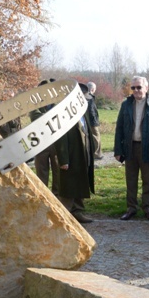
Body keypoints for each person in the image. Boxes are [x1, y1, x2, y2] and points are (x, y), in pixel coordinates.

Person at [114, 76, 149, 221]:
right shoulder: (126, 105)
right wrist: (118, 150)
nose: (136, 90)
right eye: (133, 88)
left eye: (139, 87)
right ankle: (131, 208)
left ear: (146, 88)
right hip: (130, 148)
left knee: (148, 181)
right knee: (131, 181)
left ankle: (148, 209)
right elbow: (119, 128)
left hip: (148, 148)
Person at [55, 83, 96, 224]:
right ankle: (63, 215)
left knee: (80, 182)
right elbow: (61, 138)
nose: (86, 100)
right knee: (69, 186)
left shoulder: (82, 112)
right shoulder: (65, 112)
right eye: (84, 98)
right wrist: (63, 159)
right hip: (71, 156)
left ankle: (78, 212)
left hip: (82, 154)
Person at [30, 79, 59, 195]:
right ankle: (42, 196)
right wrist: (52, 117)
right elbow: (34, 116)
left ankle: (57, 198)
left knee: (58, 174)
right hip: (41, 143)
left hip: (57, 142)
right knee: (41, 173)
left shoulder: (59, 102)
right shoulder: (35, 104)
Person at [86, 82, 104, 160]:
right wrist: (95, 122)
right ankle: (96, 154)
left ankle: (97, 154)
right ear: (93, 89)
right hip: (92, 122)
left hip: (87, 121)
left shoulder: (84, 96)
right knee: (96, 137)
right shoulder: (90, 97)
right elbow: (92, 110)